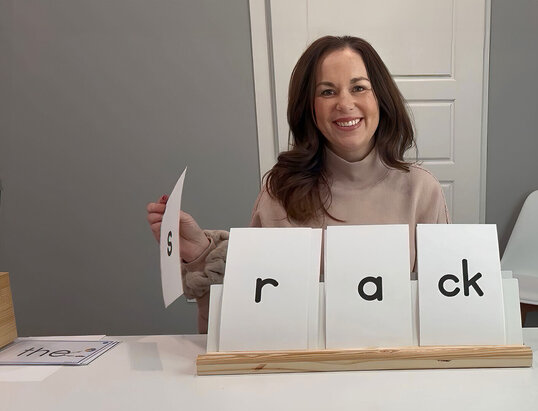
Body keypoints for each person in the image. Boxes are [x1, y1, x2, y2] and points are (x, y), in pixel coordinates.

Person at [146, 35, 450, 332]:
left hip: (395, 371)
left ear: (381, 98)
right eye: (327, 92)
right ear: (310, 108)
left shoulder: (422, 191)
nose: (345, 103)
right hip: (302, 374)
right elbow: (251, 318)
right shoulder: (280, 193)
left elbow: (442, 309)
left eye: (359, 87)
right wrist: (200, 254)